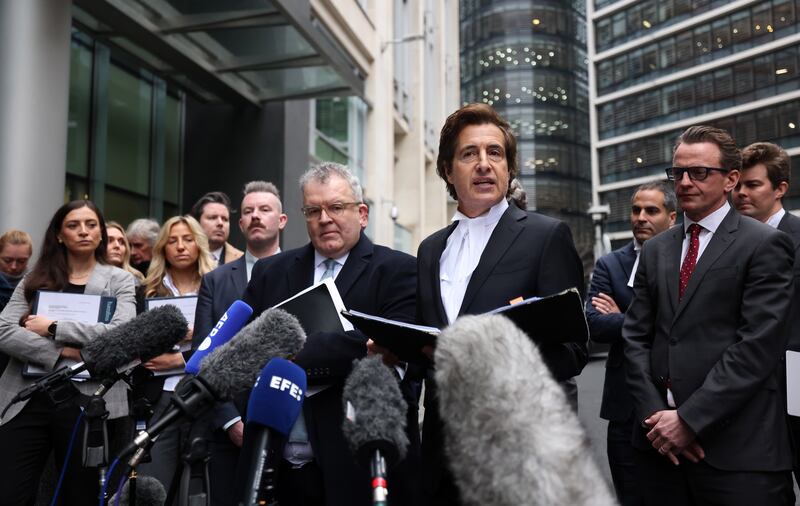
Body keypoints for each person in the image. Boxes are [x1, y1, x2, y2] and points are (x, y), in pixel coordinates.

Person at [416, 103, 587, 505]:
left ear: (509, 169)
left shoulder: (546, 237)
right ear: (448, 171)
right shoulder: (429, 250)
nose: (483, 164)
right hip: (442, 459)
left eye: (494, 153)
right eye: (469, 153)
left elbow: (574, 350)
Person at [623, 126, 795, 505]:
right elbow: (635, 338)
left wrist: (688, 420)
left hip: (738, 453)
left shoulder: (765, 244)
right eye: (678, 172)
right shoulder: (655, 250)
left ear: (731, 179)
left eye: (699, 172)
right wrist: (657, 417)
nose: (685, 182)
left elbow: (757, 347)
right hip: (659, 448)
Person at [240, 162, 420, 506]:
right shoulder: (270, 272)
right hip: (276, 465)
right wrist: (357, 347)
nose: (324, 219)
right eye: (313, 210)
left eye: (336, 207)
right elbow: (248, 346)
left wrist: (290, 353)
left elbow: (396, 346)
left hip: (355, 466)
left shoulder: (399, 270)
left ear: (362, 214)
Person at [0, 200, 136, 505]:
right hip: (28, 396)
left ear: (101, 233)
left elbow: (120, 334)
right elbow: (4, 330)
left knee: (80, 495)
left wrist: (53, 327)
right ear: (60, 235)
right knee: (9, 493)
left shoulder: (120, 280)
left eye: (91, 225)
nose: (83, 231)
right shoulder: (35, 277)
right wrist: (63, 352)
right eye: (73, 225)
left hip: (88, 400)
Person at [192, 181, 287, 506]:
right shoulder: (215, 280)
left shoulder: (302, 276)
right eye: (248, 211)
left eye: (264, 209)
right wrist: (230, 420)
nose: (256, 216)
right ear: (241, 223)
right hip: (226, 428)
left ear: (282, 220)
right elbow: (203, 355)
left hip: (288, 428)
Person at [586, 182, 676, 505]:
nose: (641, 217)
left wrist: (623, 317)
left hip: (678, 408)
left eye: (651, 211)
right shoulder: (609, 265)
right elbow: (595, 325)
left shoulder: (686, 259)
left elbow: (688, 322)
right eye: (636, 210)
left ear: (672, 217)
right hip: (624, 409)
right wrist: (650, 322)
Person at [732, 142, 800, 488]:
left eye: (753, 184)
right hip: (745, 388)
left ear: (780, 189)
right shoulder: (729, 244)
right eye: (738, 185)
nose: (741, 193)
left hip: (797, 379)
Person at [135, 215, 215, 496]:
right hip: (160, 398)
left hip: (205, 397)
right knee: (153, 484)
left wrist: (181, 359)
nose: (181, 247)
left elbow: (225, 342)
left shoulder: (217, 285)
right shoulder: (147, 291)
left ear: (199, 244)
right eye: (172, 241)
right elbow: (138, 346)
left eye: (188, 239)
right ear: (162, 249)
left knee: (196, 490)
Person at [190, 192, 243, 266]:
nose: (220, 223)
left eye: (225, 219)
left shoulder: (243, 260)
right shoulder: (183, 256)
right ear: (197, 222)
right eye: (213, 218)